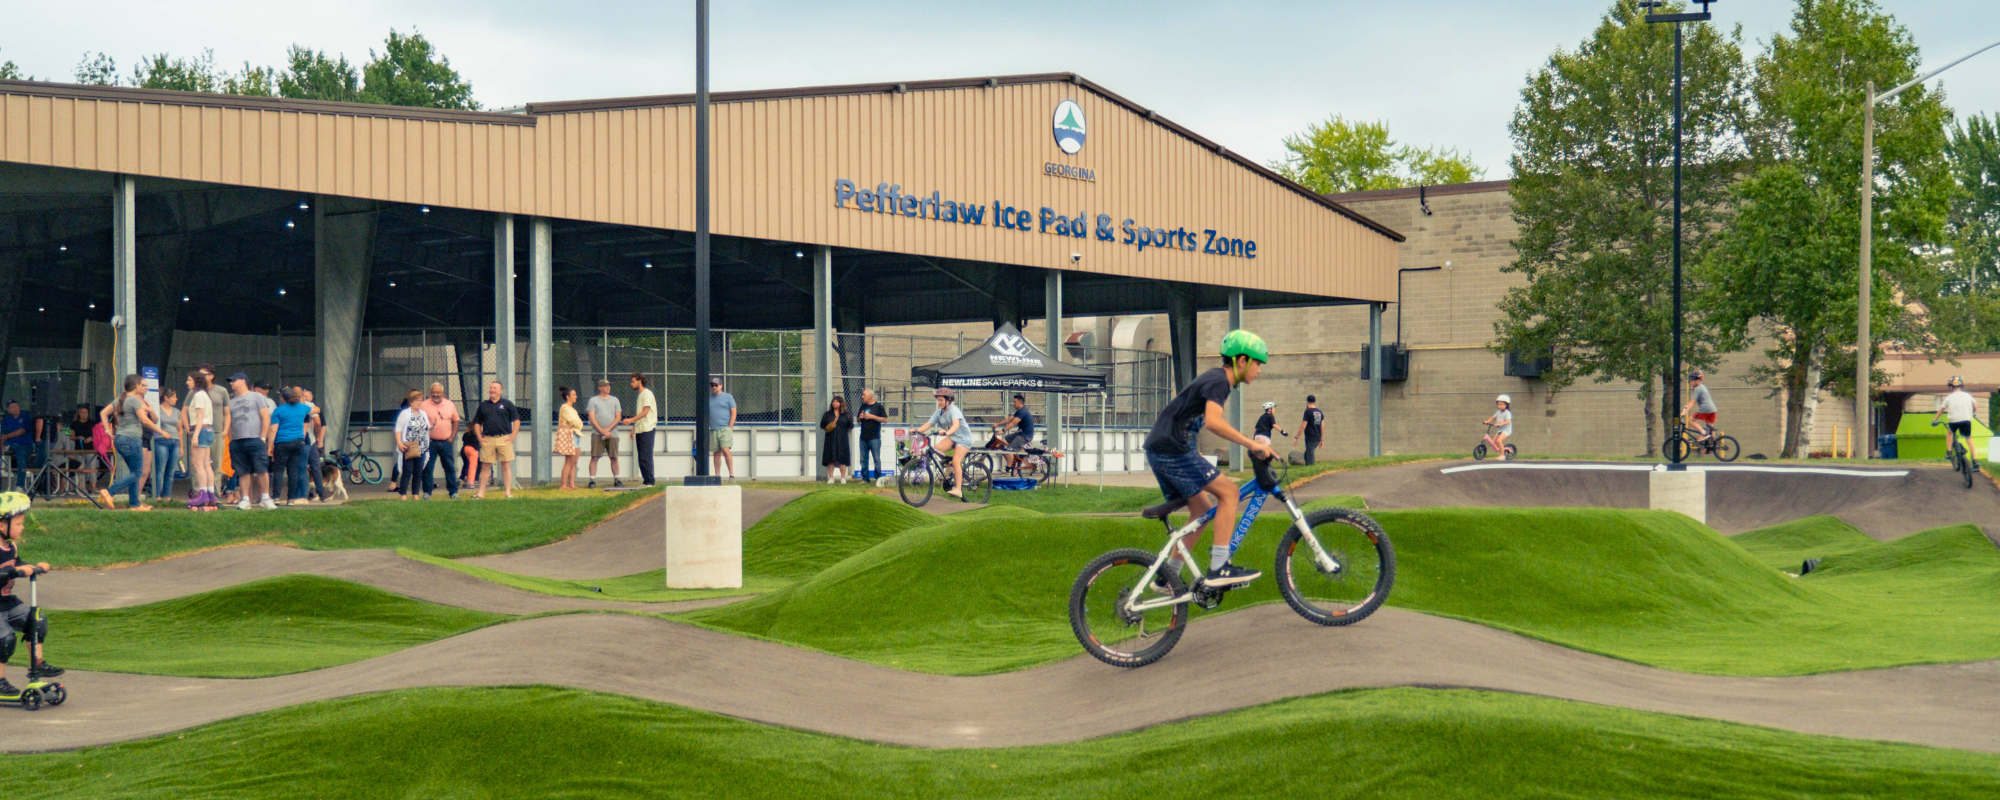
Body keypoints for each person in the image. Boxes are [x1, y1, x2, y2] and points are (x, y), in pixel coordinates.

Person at [1142, 329, 1274, 589]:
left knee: (1202, 510)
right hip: (1170, 449)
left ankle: (1168, 578)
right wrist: (1251, 443)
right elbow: (1213, 422)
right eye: (1258, 363)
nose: (1259, 370)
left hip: (1164, 448)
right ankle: (1219, 568)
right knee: (1230, 493)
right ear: (1242, 361)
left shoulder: (1216, 379)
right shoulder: (1219, 382)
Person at [0, 492, 63, 698]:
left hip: (8, 603)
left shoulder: (11, 546)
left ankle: (38, 664)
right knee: (5, 639)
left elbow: (18, 564)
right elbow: (10, 570)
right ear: (2, 525)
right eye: (18, 524)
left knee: (37, 620)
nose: (22, 527)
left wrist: (35, 567)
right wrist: (14, 571)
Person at [97, 374, 163, 511]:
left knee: (134, 472)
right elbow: (145, 420)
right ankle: (109, 492)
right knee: (137, 473)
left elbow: (103, 413)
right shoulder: (134, 400)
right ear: (137, 386)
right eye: (141, 384)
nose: (143, 387)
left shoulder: (120, 400)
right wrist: (162, 432)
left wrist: (108, 430)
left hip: (120, 439)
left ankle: (135, 504)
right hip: (132, 439)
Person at [914, 388, 979, 499]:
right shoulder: (939, 412)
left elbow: (956, 425)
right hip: (953, 437)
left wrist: (947, 432)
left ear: (948, 400)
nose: (939, 402)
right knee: (937, 448)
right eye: (938, 400)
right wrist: (917, 430)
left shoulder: (954, 410)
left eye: (941, 400)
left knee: (956, 461)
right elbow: (928, 424)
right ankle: (948, 468)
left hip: (964, 439)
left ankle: (958, 489)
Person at [226, 373, 276, 510]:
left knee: (262, 469)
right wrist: (231, 440)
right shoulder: (231, 401)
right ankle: (245, 499)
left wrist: (263, 437)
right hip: (237, 441)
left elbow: (266, 417)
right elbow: (229, 422)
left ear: (243, 381)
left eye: (233, 380)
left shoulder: (257, 397)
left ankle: (265, 498)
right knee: (242, 471)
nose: (231, 383)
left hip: (255, 438)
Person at [473, 381, 521, 499]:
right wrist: (480, 438)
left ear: (501, 391)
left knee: (505, 465)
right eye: (491, 388)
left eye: (495, 388)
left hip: (504, 439)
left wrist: (512, 437)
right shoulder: (483, 405)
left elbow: (516, 420)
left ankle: (508, 492)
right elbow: (477, 422)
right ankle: (480, 493)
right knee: (485, 466)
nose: (492, 390)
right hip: (488, 439)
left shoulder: (507, 404)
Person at [270, 387, 313, 505]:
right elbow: (316, 410)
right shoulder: (302, 408)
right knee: (293, 470)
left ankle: (276, 497)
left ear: (282, 398)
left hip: (282, 442)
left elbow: (273, 430)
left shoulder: (279, 410)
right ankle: (291, 499)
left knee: (278, 470)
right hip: (298, 442)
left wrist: (270, 446)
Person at [419, 383, 462, 500]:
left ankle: (453, 492)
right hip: (430, 442)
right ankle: (427, 493)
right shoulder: (424, 405)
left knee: (450, 468)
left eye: (438, 392)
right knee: (427, 468)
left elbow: (456, 421)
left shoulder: (450, 404)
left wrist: (452, 438)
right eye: (433, 392)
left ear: (443, 393)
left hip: (446, 442)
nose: (435, 394)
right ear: (430, 392)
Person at [184, 373, 218, 507]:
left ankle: (202, 494)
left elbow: (200, 416)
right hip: (208, 429)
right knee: (206, 464)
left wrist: (195, 435)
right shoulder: (205, 395)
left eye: (189, 380)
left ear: (196, 382)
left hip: (200, 430)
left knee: (198, 464)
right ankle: (210, 494)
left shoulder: (198, 395)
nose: (187, 382)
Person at [1933, 376, 1982, 468]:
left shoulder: (1949, 397)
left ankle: (1949, 452)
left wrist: (1934, 420)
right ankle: (1975, 461)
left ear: (1951, 387)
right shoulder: (1967, 395)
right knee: (1968, 438)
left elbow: (1941, 410)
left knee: (1950, 433)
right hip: (1966, 419)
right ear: (1961, 386)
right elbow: (1975, 406)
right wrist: (1972, 413)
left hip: (1954, 420)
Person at [585, 379, 622, 488]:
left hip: (613, 434)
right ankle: (592, 480)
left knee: (614, 457)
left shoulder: (615, 400)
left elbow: (618, 417)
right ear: (600, 388)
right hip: (597, 434)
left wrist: (608, 430)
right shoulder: (593, 401)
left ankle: (617, 480)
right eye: (605, 386)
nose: (608, 387)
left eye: (609, 385)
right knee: (595, 457)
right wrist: (602, 431)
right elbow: (592, 418)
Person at [394, 391, 430, 501]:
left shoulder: (423, 413)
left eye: (421, 400)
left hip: (421, 446)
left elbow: (427, 428)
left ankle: (415, 495)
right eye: (417, 401)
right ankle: (403, 494)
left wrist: (433, 427)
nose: (420, 403)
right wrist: (399, 443)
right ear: (411, 402)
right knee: (407, 471)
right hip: (409, 446)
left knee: (418, 472)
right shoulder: (405, 413)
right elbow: (398, 429)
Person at [624, 373, 659, 487]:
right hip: (640, 429)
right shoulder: (641, 395)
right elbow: (640, 414)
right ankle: (646, 481)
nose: (631, 384)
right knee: (641, 457)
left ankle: (650, 481)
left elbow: (645, 412)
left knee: (645, 456)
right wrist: (634, 427)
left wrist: (630, 420)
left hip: (647, 428)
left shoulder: (647, 394)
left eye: (633, 381)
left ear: (639, 381)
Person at [0, 401, 38, 492]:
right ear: (8, 410)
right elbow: (2, 435)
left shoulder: (26, 416)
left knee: (21, 459)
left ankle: (20, 486)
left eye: (16, 406)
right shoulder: (7, 420)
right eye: (12, 407)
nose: (15, 409)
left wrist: (6, 436)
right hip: (10, 445)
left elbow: (22, 430)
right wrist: (2, 445)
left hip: (24, 444)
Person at [152, 389, 182, 502]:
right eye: (173, 397)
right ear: (166, 398)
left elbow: (180, 429)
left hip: (175, 441)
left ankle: (167, 496)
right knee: (160, 470)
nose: (176, 399)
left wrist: (182, 447)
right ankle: (157, 495)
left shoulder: (177, 411)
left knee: (171, 471)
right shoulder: (157, 410)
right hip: (161, 440)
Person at [708, 378, 738, 480]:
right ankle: (717, 476)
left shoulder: (728, 397)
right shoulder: (709, 398)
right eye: (712, 385)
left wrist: (730, 426)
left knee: (725, 450)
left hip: (725, 428)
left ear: (721, 386)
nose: (714, 387)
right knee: (716, 452)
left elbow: (733, 411)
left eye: (716, 385)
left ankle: (731, 475)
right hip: (714, 429)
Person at [854, 388, 887, 480]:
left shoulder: (878, 406)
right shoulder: (863, 406)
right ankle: (865, 478)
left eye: (864, 395)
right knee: (863, 460)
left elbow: (885, 419)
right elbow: (858, 420)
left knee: (876, 459)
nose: (862, 396)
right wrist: (860, 417)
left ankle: (878, 478)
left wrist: (872, 416)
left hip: (874, 437)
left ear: (870, 395)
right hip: (863, 437)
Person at [820, 396, 853, 484]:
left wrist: (842, 431)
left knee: (843, 457)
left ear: (841, 403)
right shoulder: (827, 414)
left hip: (843, 439)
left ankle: (843, 478)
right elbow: (822, 425)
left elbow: (850, 425)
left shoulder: (846, 414)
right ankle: (831, 478)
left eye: (837, 401)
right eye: (833, 401)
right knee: (830, 457)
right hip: (830, 438)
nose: (834, 403)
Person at [555, 386, 583, 490]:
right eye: (574, 395)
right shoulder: (566, 408)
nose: (576, 396)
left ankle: (572, 484)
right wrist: (579, 424)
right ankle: (563, 485)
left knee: (574, 461)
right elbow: (575, 422)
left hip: (576, 434)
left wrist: (579, 424)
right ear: (568, 397)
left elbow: (578, 422)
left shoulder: (572, 409)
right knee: (569, 461)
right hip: (570, 435)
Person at [1681, 370, 1718, 442]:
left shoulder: (1697, 389)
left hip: (1705, 409)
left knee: (1690, 420)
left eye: (1692, 380)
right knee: (1710, 429)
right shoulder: (1702, 387)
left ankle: (1704, 434)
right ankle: (1712, 445)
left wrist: (1684, 413)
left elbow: (1692, 401)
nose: (1690, 382)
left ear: (1697, 380)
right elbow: (1694, 401)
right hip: (1712, 409)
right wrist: (1687, 405)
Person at [1293, 395, 1325, 465]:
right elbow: (1322, 427)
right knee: (1307, 455)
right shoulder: (1320, 412)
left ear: (1307, 402)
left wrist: (1296, 437)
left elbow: (1303, 426)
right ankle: (1308, 468)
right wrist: (1321, 439)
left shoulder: (1307, 412)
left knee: (1310, 457)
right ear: (1315, 402)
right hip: (1317, 437)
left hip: (1310, 438)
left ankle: (1312, 469)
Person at [1481, 395, 1514, 461]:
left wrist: (1499, 424)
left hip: (1506, 430)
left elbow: (1507, 421)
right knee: (1493, 442)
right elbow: (1493, 418)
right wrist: (1487, 421)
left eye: (1501, 404)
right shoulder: (1498, 412)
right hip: (1500, 429)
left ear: (1506, 405)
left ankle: (1502, 456)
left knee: (1499, 441)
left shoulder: (1507, 413)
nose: (1499, 406)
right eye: (1498, 404)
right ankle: (1504, 449)